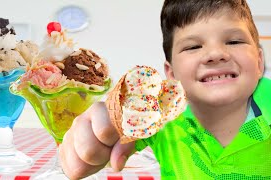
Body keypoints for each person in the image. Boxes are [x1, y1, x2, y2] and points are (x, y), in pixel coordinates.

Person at [59, 0, 271, 179]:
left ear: (259, 62)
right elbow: (79, 162)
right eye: (193, 47)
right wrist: (85, 145)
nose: (215, 53)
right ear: (172, 73)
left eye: (234, 41)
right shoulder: (155, 117)